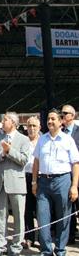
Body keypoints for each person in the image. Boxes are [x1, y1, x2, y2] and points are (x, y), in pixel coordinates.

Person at [32, 109, 79, 256]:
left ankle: (60, 249)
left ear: (61, 122)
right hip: (43, 183)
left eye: (53, 119)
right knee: (42, 217)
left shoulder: (67, 140)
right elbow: (36, 161)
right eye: (48, 119)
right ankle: (46, 250)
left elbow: (75, 164)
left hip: (63, 181)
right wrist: (34, 181)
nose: (50, 122)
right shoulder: (42, 139)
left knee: (63, 217)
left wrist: (74, 186)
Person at [0, 112, 30, 256]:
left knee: (19, 216)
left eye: (5, 120)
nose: (2, 122)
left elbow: (23, 160)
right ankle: (0, 246)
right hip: (0, 183)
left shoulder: (23, 139)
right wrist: (2, 153)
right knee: (0, 216)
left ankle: (16, 247)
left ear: (13, 123)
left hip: (17, 183)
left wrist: (9, 151)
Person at [61, 104, 79, 244]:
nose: (63, 115)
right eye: (62, 113)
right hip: (67, 178)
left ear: (73, 115)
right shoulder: (60, 134)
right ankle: (71, 235)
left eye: (65, 113)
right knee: (69, 208)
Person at [23, 116, 40, 249]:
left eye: (34, 126)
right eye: (29, 126)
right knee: (27, 209)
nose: (32, 128)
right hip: (25, 177)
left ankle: (41, 237)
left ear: (39, 127)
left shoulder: (43, 141)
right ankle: (29, 237)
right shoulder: (23, 141)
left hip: (40, 178)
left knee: (41, 209)